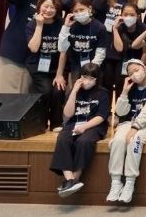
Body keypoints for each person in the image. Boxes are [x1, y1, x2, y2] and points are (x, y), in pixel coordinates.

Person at [0, 0, 63, 94]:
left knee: (26, 92)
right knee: (7, 91)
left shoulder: (56, 6)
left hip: (34, 55)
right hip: (15, 48)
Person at [107, 59, 146, 204]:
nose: (134, 74)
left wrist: (135, 128)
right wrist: (124, 92)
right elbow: (121, 112)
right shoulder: (130, 88)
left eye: (136, 70)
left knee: (134, 141)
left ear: (145, 68)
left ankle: (129, 183)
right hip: (128, 123)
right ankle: (116, 182)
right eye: (130, 73)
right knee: (117, 141)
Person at [49, 63, 109, 198]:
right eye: (85, 76)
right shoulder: (74, 91)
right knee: (63, 139)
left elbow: (101, 116)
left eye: (91, 78)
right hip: (73, 123)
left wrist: (84, 127)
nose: (87, 81)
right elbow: (67, 114)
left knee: (84, 141)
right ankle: (70, 179)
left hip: (93, 125)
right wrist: (74, 92)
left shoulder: (103, 93)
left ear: (97, 79)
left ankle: (74, 178)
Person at [26, 0, 65, 130]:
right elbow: (33, 48)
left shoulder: (61, 24)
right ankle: (41, 122)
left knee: (58, 91)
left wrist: (59, 74)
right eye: (45, 6)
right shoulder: (32, 24)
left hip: (57, 67)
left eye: (52, 7)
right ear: (39, 7)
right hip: (38, 67)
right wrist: (39, 25)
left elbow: (64, 50)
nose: (48, 10)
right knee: (46, 91)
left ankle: (56, 123)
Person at [57, 0, 109, 87]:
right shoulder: (70, 26)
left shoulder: (100, 27)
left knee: (93, 91)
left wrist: (90, 70)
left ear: (89, 8)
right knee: (76, 91)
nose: (79, 13)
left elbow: (101, 52)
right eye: (76, 11)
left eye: (81, 9)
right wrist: (66, 27)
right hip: (76, 65)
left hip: (94, 66)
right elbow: (62, 48)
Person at [110, 3, 146, 102]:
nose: (128, 17)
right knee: (121, 88)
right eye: (125, 14)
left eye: (132, 15)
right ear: (121, 15)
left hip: (139, 62)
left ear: (138, 16)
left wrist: (140, 68)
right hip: (122, 62)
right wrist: (115, 29)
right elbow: (119, 48)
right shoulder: (118, 27)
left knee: (137, 90)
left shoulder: (144, 28)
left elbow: (145, 52)